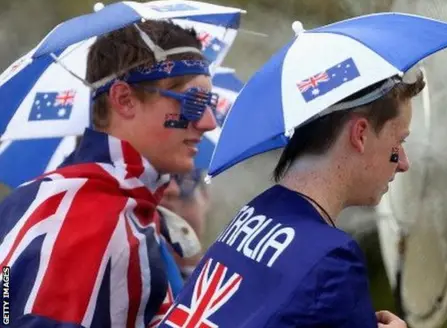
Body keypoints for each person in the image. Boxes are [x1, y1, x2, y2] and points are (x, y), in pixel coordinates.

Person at [160, 71, 423, 328]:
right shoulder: (332, 259)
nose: (403, 162)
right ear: (361, 134)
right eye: (397, 143)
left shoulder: (256, 211)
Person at [0, 20, 217, 327]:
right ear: (124, 99)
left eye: (211, 105)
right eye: (194, 103)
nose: (209, 123)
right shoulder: (99, 220)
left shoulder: (50, 195)